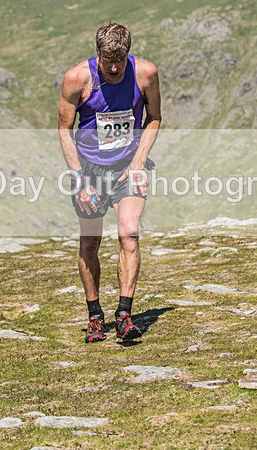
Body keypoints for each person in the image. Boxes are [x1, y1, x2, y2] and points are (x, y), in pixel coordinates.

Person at [58, 22, 162, 343]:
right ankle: (94, 316)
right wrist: (79, 179)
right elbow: (64, 129)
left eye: (120, 59)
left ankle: (124, 315)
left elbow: (154, 118)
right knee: (90, 243)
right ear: (97, 54)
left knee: (129, 233)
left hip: (128, 166)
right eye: (107, 61)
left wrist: (139, 162)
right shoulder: (77, 79)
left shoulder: (145, 74)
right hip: (89, 170)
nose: (115, 67)